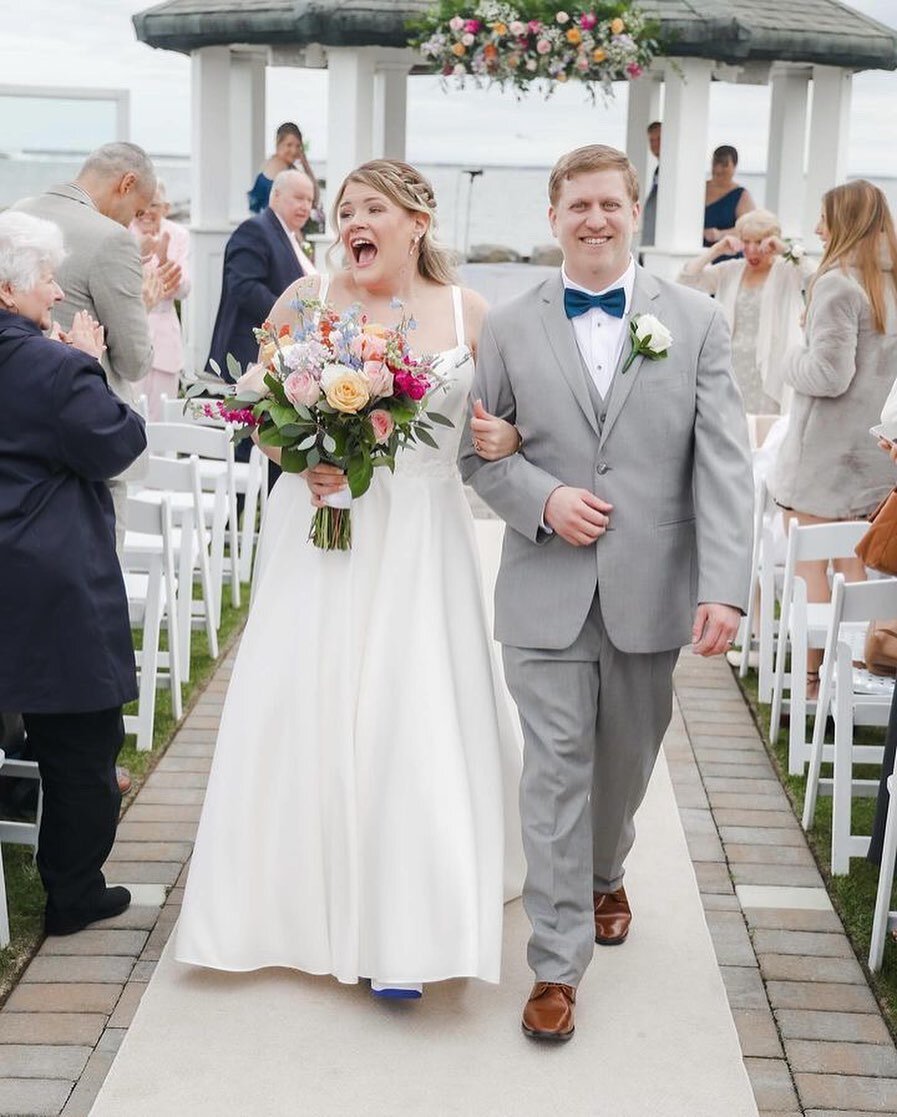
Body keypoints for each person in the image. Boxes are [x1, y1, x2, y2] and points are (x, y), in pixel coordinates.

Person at [176, 159, 525, 997]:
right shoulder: (304, 302)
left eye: (372, 207)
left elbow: (510, 421)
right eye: (343, 210)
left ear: (416, 222)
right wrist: (300, 455)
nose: (353, 222)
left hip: (421, 538)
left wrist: (506, 441)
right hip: (320, 528)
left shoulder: (468, 312)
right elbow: (257, 414)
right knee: (305, 697)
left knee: (411, 710)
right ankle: (287, 902)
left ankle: (407, 928)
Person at [459, 144, 754, 1042]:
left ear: (635, 213)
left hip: (649, 589)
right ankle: (554, 965)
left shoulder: (696, 320)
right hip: (543, 589)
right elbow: (477, 453)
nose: (593, 219)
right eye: (576, 205)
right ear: (552, 218)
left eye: (608, 205)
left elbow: (724, 464)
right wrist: (541, 497)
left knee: (622, 765)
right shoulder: (507, 326)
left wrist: (725, 588)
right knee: (554, 772)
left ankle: (605, 869)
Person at [0, 211, 147, 935]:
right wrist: (87, 360)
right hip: (48, 577)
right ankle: (74, 891)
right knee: (83, 741)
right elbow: (118, 441)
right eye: (48, 280)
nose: (57, 293)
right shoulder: (57, 368)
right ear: (8, 290)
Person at [12, 142, 173, 551]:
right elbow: (135, 361)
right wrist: (145, 305)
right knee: (96, 580)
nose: (135, 223)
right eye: (137, 211)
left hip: (17, 439)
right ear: (127, 183)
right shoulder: (112, 240)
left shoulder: (15, 213)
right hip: (88, 439)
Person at [770, 179, 897, 696]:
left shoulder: (838, 284)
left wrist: (788, 355)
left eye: (825, 219)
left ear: (844, 223)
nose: (818, 230)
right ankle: (857, 674)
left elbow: (827, 375)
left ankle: (812, 682)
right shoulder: (890, 284)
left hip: (823, 456)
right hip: (872, 454)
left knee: (810, 567)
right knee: (854, 565)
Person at [678, 208, 812, 414]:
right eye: (746, 241)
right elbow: (686, 279)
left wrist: (785, 249)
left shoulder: (787, 271)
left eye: (759, 242)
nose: (751, 250)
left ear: (772, 242)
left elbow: (816, 277)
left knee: (765, 430)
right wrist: (716, 250)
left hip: (770, 367)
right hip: (733, 364)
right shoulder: (730, 270)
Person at [207, 169, 316, 382]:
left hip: (278, 355)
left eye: (310, 200)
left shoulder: (289, 236)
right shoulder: (255, 230)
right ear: (276, 195)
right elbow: (244, 287)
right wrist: (290, 315)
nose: (305, 206)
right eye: (298, 198)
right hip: (248, 356)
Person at [129, 180, 191, 420]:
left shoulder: (178, 234)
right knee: (131, 414)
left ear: (165, 208)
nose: (146, 211)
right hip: (131, 333)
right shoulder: (121, 232)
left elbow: (184, 288)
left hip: (165, 337)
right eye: (141, 203)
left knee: (164, 417)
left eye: (153, 204)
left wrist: (165, 261)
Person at [247, 122, 319, 216]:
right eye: (289, 145)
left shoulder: (283, 166)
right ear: (278, 144)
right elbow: (313, 199)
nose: (294, 151)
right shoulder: (278, 168)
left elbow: (312, 200)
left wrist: (305, 163)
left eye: (298, 146)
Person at [703, 145, 756, 258]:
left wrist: (719, 234)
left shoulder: (742, 195)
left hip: (727, 257)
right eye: (715, 164)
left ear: (735, 166)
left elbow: (750, 229)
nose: (718, 169)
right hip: (700, 255)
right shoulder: (700, 188)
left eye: (724, 165)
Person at [638, 121, 661, 255]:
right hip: (649, 240)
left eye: (659, 139)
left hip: (659, 241)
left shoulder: (672, 170)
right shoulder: (658, 170)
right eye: (652, 140)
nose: (655, 144)